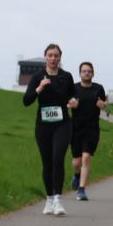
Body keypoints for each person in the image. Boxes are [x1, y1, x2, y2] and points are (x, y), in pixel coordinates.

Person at [23, 43, 78, 215]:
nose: (53, 58)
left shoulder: (66, 76)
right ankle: (48, 199)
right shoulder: (37, 76)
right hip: (43, 126)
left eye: (56, 55)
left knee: (57, 158)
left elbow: (73, 95)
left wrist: (74, 101)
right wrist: (39, 88)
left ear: (60, 57)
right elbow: (26, 101)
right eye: (50, 55)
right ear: (45, 56)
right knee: (47, 163)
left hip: (62, 124)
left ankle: (57, 200)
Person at [70, 61, 106, 201]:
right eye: (84, 71)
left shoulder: (98, 88)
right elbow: (67, 103)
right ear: (80, 73)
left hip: (92, 129)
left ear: (93, 73)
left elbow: (104, 104)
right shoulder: (73, 88)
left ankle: (82, 189)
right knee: (76, 162)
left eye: (89, 71)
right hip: (75, 129)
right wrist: (70, 105)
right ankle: (77, 175)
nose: (86, 73)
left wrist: (102, 105)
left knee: (86, 157)